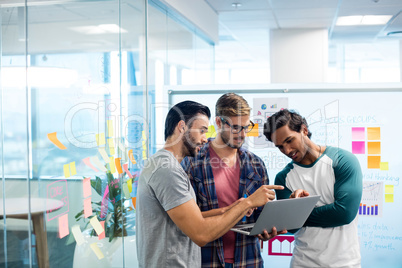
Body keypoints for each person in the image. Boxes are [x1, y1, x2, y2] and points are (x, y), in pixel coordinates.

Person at [136, 100, 284, 268]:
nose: (205, 138)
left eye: (245, 127)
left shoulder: (166, 166)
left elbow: (193, 217)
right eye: (202, 131)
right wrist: (248, 203)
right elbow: (200, 233)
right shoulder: (168, 170)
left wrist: (234, 207)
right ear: (182, 127)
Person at [182, 93, 286, 268]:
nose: (242, 134)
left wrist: (267, 230)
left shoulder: (256, 164)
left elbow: (261, 217)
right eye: (236, 127)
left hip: (248, 259)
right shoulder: (192, 161)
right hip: (206, 260)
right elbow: (186, 220)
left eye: (246, 127)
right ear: (219, 122)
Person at [263, 109, 363, 268]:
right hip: (302, 263)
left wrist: (297, 212)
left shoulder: (342, 161)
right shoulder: (283, 178)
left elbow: (344, 213)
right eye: (280, 147)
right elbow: (292, 227)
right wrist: (291, 213)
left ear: (304, 130)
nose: (287, 151)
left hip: (345, 263)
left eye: (289, 140)